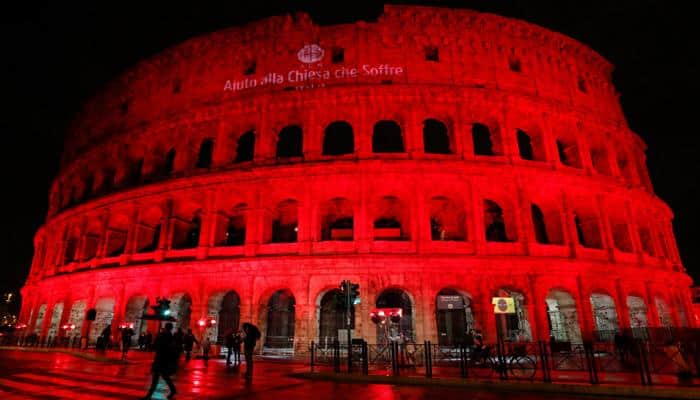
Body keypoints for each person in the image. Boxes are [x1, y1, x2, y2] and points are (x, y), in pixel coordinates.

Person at [142, 323, 177, 400]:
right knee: (165, 377)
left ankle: (148, 396)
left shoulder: (163, 335)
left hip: (160, 359)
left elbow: (156, 345)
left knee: (155, 378)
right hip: (165, 360)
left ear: (166, 327)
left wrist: (153, 344)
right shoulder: (171, 336)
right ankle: (173, 390)